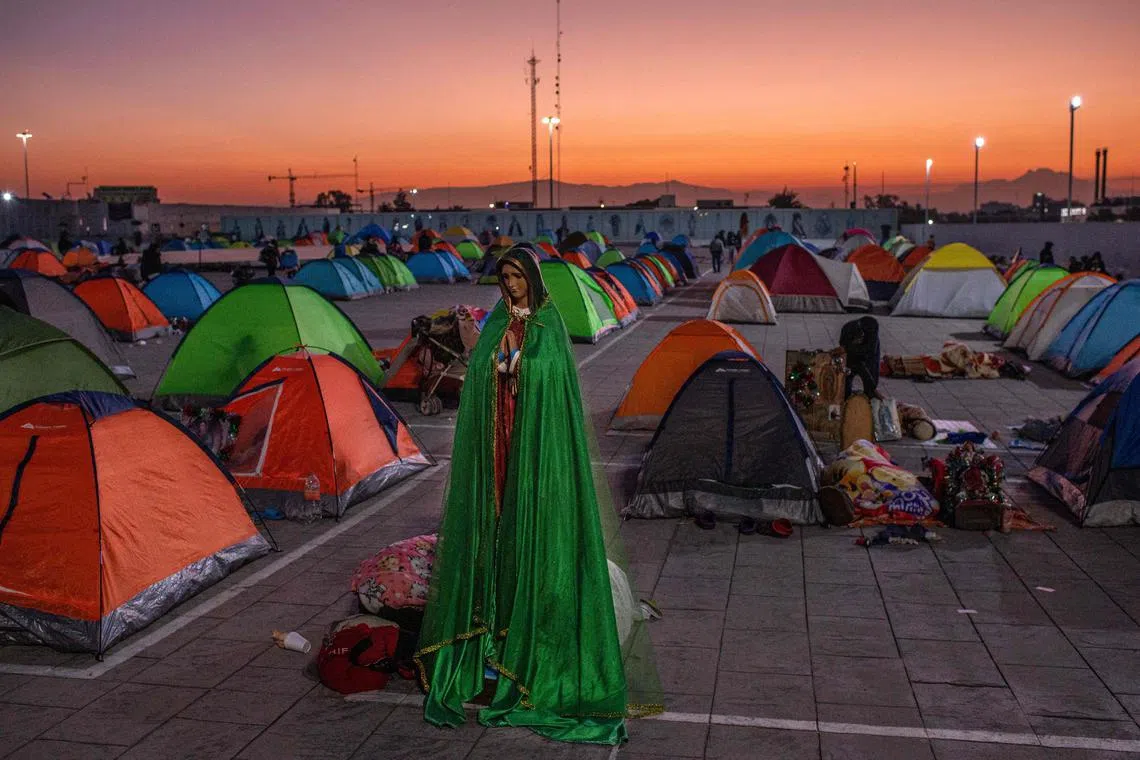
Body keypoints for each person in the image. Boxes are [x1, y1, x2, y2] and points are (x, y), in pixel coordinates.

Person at [415, 246, 661, 745]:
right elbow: (482, 372)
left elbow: (552, 381)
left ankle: (530, 646)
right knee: (496, 535)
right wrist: (496, 370)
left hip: (535, 455)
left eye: (518, 276)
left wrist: (523, 370)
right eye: (505, 277)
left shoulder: (548, 328)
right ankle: (490, 638)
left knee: (532, 537)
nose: (512, 284)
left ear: (532, 279)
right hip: (499, 455)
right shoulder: (495, 326)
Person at [839, 316, 882, 399]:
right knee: (845, 382)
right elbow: (843, 347)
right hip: (851, 356)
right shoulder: (847, 329)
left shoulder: (872, 332)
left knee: (871, 384)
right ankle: (846, 398)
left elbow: (871, 351)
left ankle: (869, 399)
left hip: (868, 356)